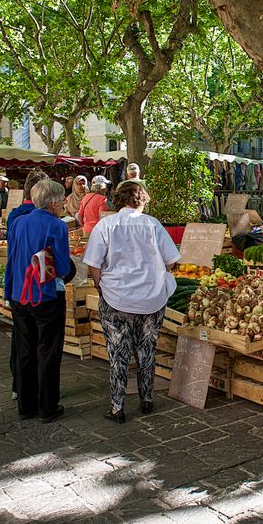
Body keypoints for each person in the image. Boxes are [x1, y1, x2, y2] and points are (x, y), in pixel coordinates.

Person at [84, 181, 179, 423]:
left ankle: (118, 407)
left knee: (118, 354)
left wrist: (100, 284)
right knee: (147, 350)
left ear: (117, 199)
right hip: (152, 299)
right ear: (142, 200)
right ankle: (146, 399)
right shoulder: (152, 224)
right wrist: (153, 274)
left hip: (116, 298)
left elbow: (93, 264)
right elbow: (171, 261)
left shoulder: (107, 224)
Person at [3, 180, 74, 422]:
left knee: (24, 349)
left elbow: (11, 258)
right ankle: (47, 406)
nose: (64, 204)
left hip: (19, 294)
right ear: (53, 202)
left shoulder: (18, 222)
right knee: (48, 350)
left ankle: (25, 405)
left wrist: (8, 290)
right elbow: (63, 266)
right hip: (46, 294)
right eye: (63, 200)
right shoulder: (57, 225)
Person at [4, 169, 50, 400]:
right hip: (39, 285)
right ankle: (41, 391)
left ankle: (19, 387)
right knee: (42, 342)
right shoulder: (45, 218)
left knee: (21, 339)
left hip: (16, 282)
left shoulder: (14, 216)